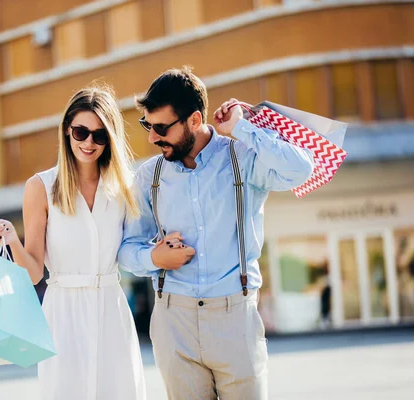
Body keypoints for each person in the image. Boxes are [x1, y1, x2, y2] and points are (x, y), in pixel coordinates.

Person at [118, 67, 314, 400]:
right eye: (147, 126)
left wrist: (242, 127)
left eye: (161, 127)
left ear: (194, 120)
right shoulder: (149, 176)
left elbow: (301, 169)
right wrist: (154, 257)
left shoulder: (242, 159)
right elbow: (126, 248)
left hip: (234, 318)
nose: (152, 137)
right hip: (173, 321)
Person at [0, 86, 146, 399]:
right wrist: (11, 242)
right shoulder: (41, 187)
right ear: (66, 131)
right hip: (63, 314)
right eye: (81, 132)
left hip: (112, 310)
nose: (89, 142)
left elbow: (134, 248)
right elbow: (33, 273)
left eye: (99, 135)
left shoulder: (123, 188)